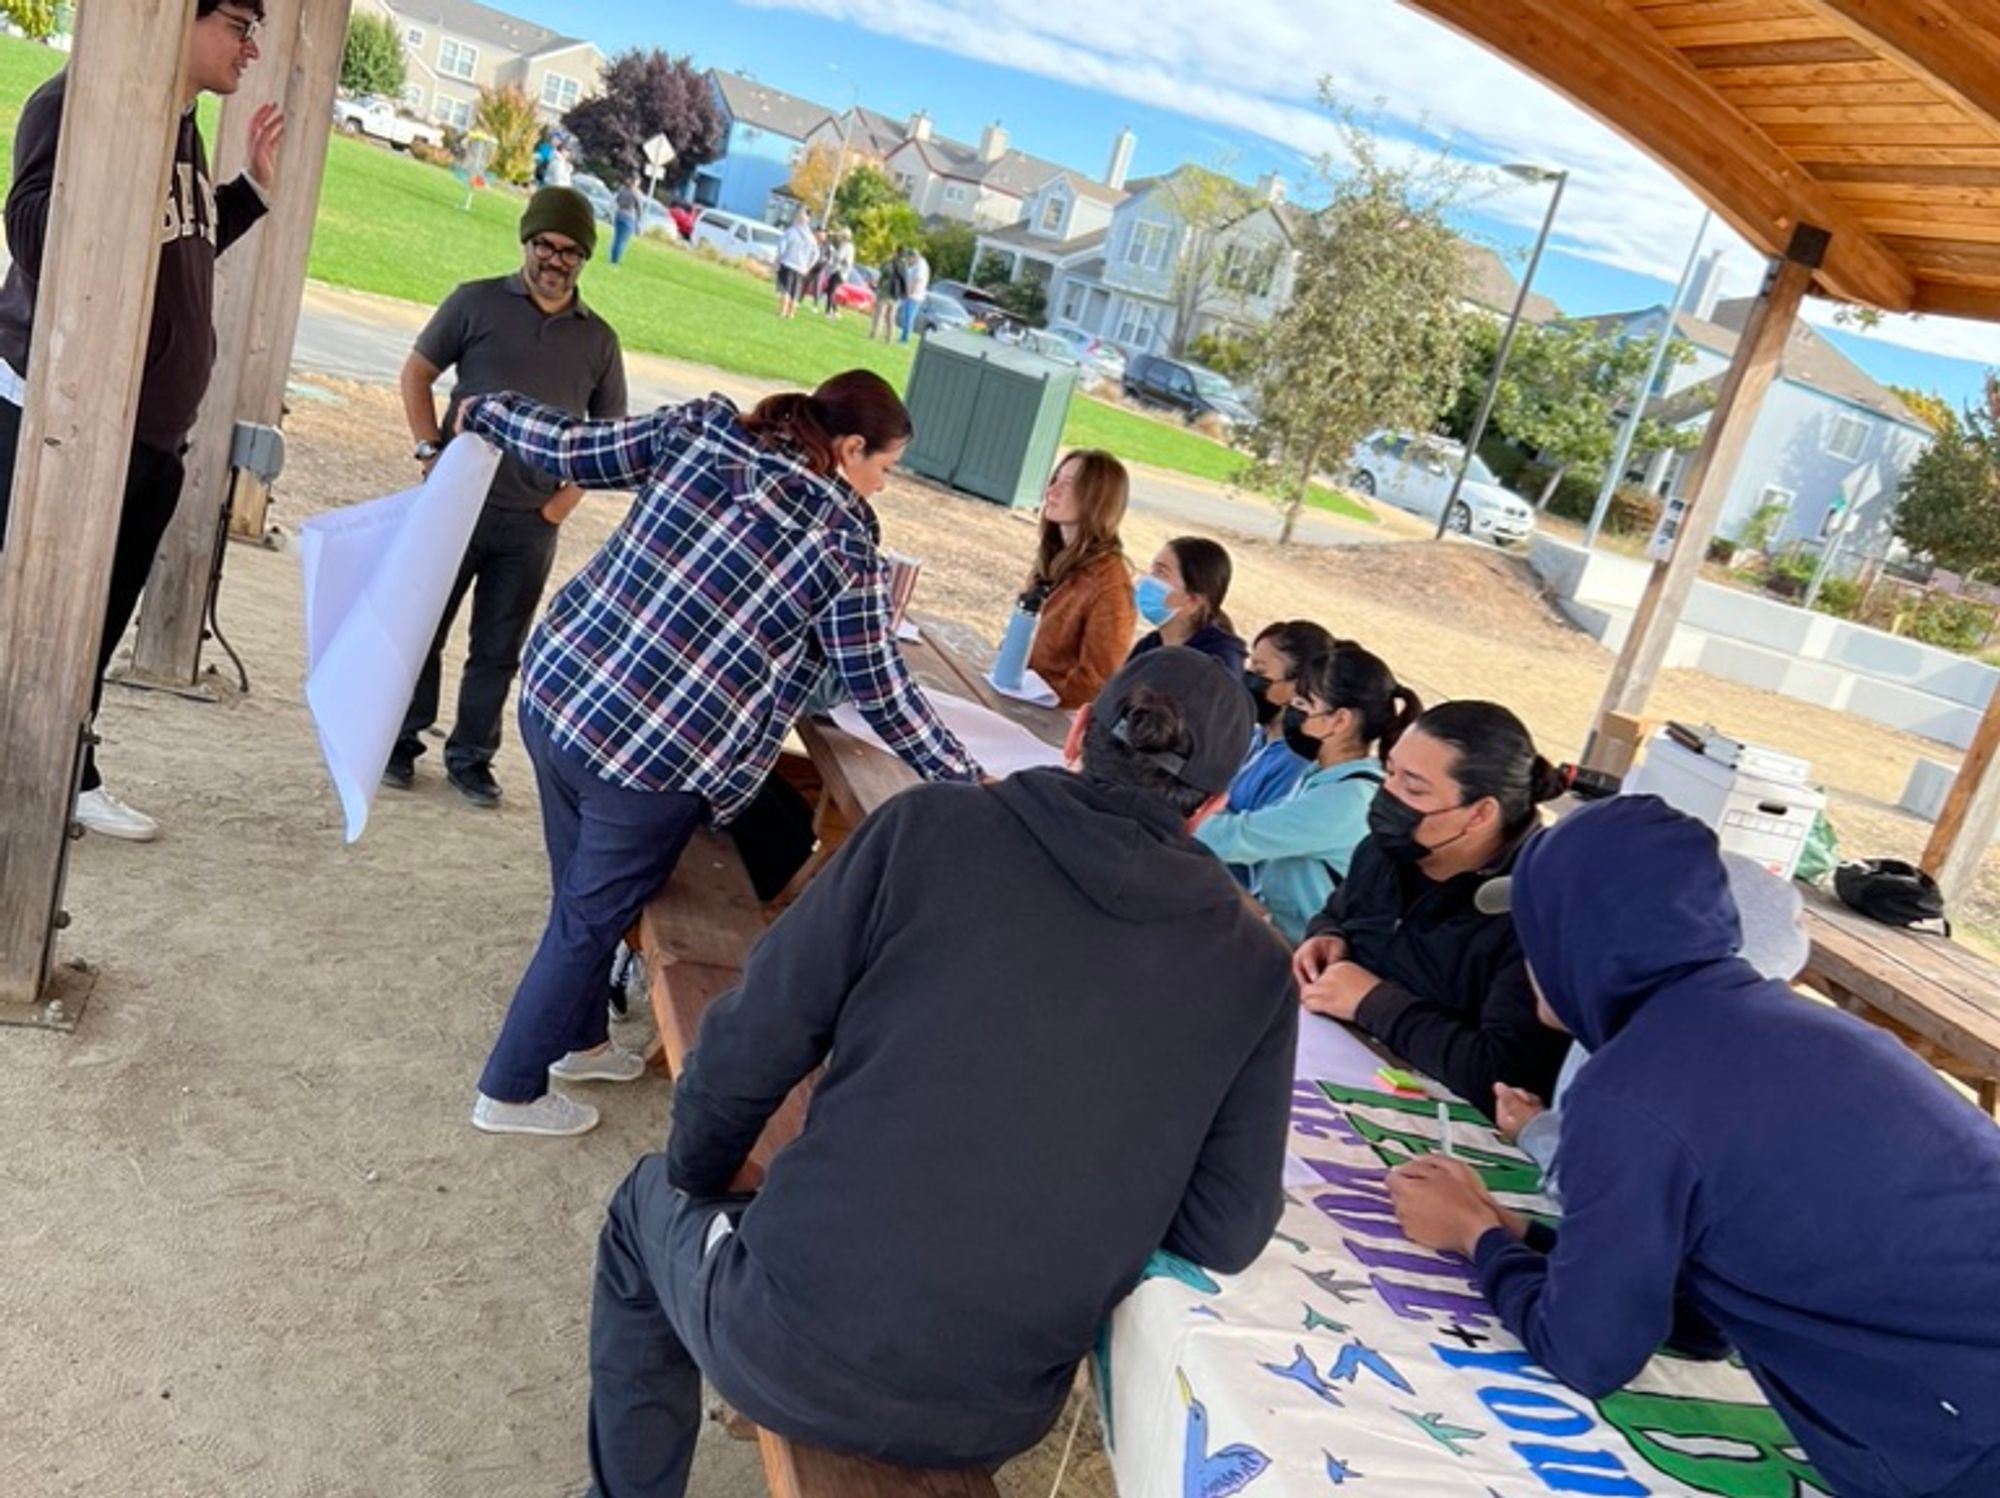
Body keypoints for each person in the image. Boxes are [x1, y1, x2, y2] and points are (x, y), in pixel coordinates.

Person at [586, 647, 1296, 1495]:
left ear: (1077, 732)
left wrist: (699, 1182)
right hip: (996, 1407)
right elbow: (1225, 1230)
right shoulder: (1255, 967)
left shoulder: (929, 829)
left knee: (644, 1205)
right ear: (1213, 807)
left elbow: (747, 1045)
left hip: (788, 1337)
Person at [1386, 796, 2000, 1498]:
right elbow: (1706, 1317)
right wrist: (1517, 1231)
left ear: (1575, 942)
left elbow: (1588, 1353)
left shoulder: (1632, 1086)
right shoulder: (1799, 1028)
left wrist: (1474, 1239)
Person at [451, 370, 983, 1137]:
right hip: (655, 758)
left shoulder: (701, 432)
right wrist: (965, 780)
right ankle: (510, 1092)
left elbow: (569, 445)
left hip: (561, 693)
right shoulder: (841, 538)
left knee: (578, 894)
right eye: (885, 470)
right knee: (588, 917)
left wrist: (488, 409)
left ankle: (579, 1040)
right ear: (852, 447)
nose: (882, 488)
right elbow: (884, 693)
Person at [0, 0, 284, 843]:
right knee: (37, 615)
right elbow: (34, 229)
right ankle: (36, 776)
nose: (253, 46)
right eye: (240, 23)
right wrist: (122, 163)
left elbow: (180, 245)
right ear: (180, 20)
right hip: (63, 419)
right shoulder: (79, 101)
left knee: (97, 621)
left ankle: (66, 768)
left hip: (151, 438)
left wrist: (252, 193)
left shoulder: (185, 126)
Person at [386, 188, 628, 808]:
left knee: (498, 647)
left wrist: (561, 505)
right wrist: (427, 453)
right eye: (545, 244)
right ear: (526, 241)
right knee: (424, 629)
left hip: (531, 522)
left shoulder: (598, 340)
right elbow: (417, 373)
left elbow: (609, 436)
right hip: (454, 505)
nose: (555, 259)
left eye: (571, 251)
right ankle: (402, 742)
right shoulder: (475, 302)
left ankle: (472, 758)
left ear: (585, 259)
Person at [1291, 700, 1571, 1111]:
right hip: (1328, 1069)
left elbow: (1506, 1076)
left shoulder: (1530, 912)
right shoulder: (1384, 852)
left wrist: (1375, 1003)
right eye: (1390, 773)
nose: (1387, 796)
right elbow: (1339, 913)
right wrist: (1327, 937)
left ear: (1479, 814)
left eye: (1413, 788)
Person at [1493, 850, 1811, 1205]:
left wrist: (1482, 1235)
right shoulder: (1613, 1014)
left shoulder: (1688, 1074)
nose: (1536, 951)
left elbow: (1609, 1194)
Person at [1197, 644, 1421, 944]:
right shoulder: (1324, 779)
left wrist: (1184, 802)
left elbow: (1231, 839)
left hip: (1298, 952)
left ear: (1340, 720)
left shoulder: (1346, 801)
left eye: (1303, 705)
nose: (1292, 713)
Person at [1020, 450, 1137, 709]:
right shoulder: (1054, 558)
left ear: (1097, 499)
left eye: (1068, 484)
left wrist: (1034, 697)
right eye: (1055, 480)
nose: (1053, 491)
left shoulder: (1110, 584)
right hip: (1018, 698)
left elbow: (1097, 683)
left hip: (1049, 719)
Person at [1229, 620, 1338, 814]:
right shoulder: (1254, 736)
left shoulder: (1295, 763)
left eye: (1260, 671)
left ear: (1298, 685)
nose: (1248, 678)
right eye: (1250, 668)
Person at [1128, 536, 1246, 678]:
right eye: (1152, 571)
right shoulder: (1148, 646)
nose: (1147, 580)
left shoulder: (1216, 665)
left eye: (1161, 573)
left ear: (1192, 601)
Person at [776, 210, 816, 320]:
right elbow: (816, 254)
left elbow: (781, 246)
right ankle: (791, 314)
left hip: (788, 263)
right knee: (796, 291)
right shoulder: (811, 237)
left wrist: (779, 258)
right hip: (801, 267)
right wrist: (809, 265)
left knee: (786, 289)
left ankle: (783, 312)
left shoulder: (791, 231)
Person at [869, 248, 906, 343]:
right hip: (896, 295)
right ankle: (889, 339)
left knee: (879, 315)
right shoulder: (904, 267)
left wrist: (877, 286)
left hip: (885, 292)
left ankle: (874, 334)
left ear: (896, 253)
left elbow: (882, 276)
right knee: (891, 317)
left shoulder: (889, 263)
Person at [898, 244, 931, 343]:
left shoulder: (921, 265)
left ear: (914, 257)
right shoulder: (916, 264)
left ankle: (905, 338)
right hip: (910, 294)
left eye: (909, 258)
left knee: (909, 317)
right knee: (905, 316)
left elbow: (917, 280)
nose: (908, 261)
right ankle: (903, 336)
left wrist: (909, 292)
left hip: (914, 296)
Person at [821, 228, 855, 319]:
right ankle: (835, 311)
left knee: (831, 291)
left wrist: (833, 252)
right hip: (840, 271)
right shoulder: (848, 246)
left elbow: (840, 257)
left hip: (839, 272)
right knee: (830, 291)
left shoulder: (846, 246)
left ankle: (829, 312)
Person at [611, 177, 643, 265]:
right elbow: (639, 208)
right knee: (623, 240)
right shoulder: (636, 193)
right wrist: (639, 222)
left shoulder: (623, 189)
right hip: (629, 216)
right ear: (636, 182)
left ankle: (613, 258)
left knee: (617, 238)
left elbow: (617, 200)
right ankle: (616, 260)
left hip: (619, 213)